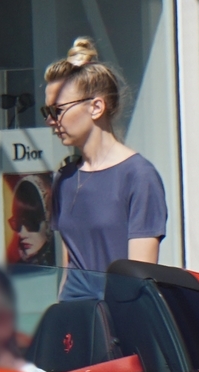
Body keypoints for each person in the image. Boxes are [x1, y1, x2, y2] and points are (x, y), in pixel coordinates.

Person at [43, 38, 168, 301]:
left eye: (58, 110)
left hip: (118, 322)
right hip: (76, 325)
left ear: (96, 107)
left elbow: (141, 280)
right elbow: (68, 268)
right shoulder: (63, 179)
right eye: (47, 110)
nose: (50, 121)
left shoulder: (138, 176)